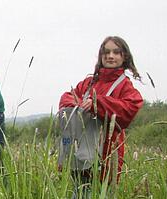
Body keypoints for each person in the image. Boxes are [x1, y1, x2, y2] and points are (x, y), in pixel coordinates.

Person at [58, 36, 144, 190]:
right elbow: (67, 97)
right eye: (106, 52)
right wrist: (79, 105)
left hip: (108, 151)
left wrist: (98, 104)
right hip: (81, 149)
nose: (110, 56)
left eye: (116, 52)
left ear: (124, 56)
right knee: (79, 191)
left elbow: (130, 108)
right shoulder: (89, 83)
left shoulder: (125, 86)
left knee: (102, 196)